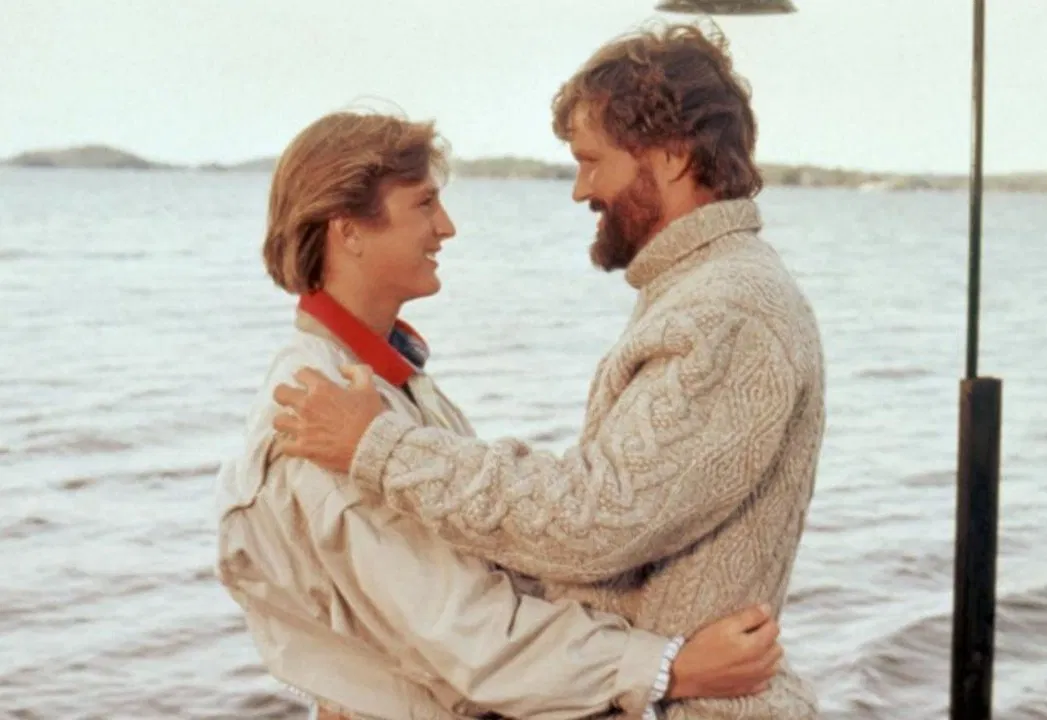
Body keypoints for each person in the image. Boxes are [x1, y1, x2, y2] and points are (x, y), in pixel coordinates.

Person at [272, 21, 826, 719]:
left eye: (592, 161)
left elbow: (599, 518)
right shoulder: (702, 293)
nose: (580, 189)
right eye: (426, 203)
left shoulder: (727, 309)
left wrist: (380, 449)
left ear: (672, 156)